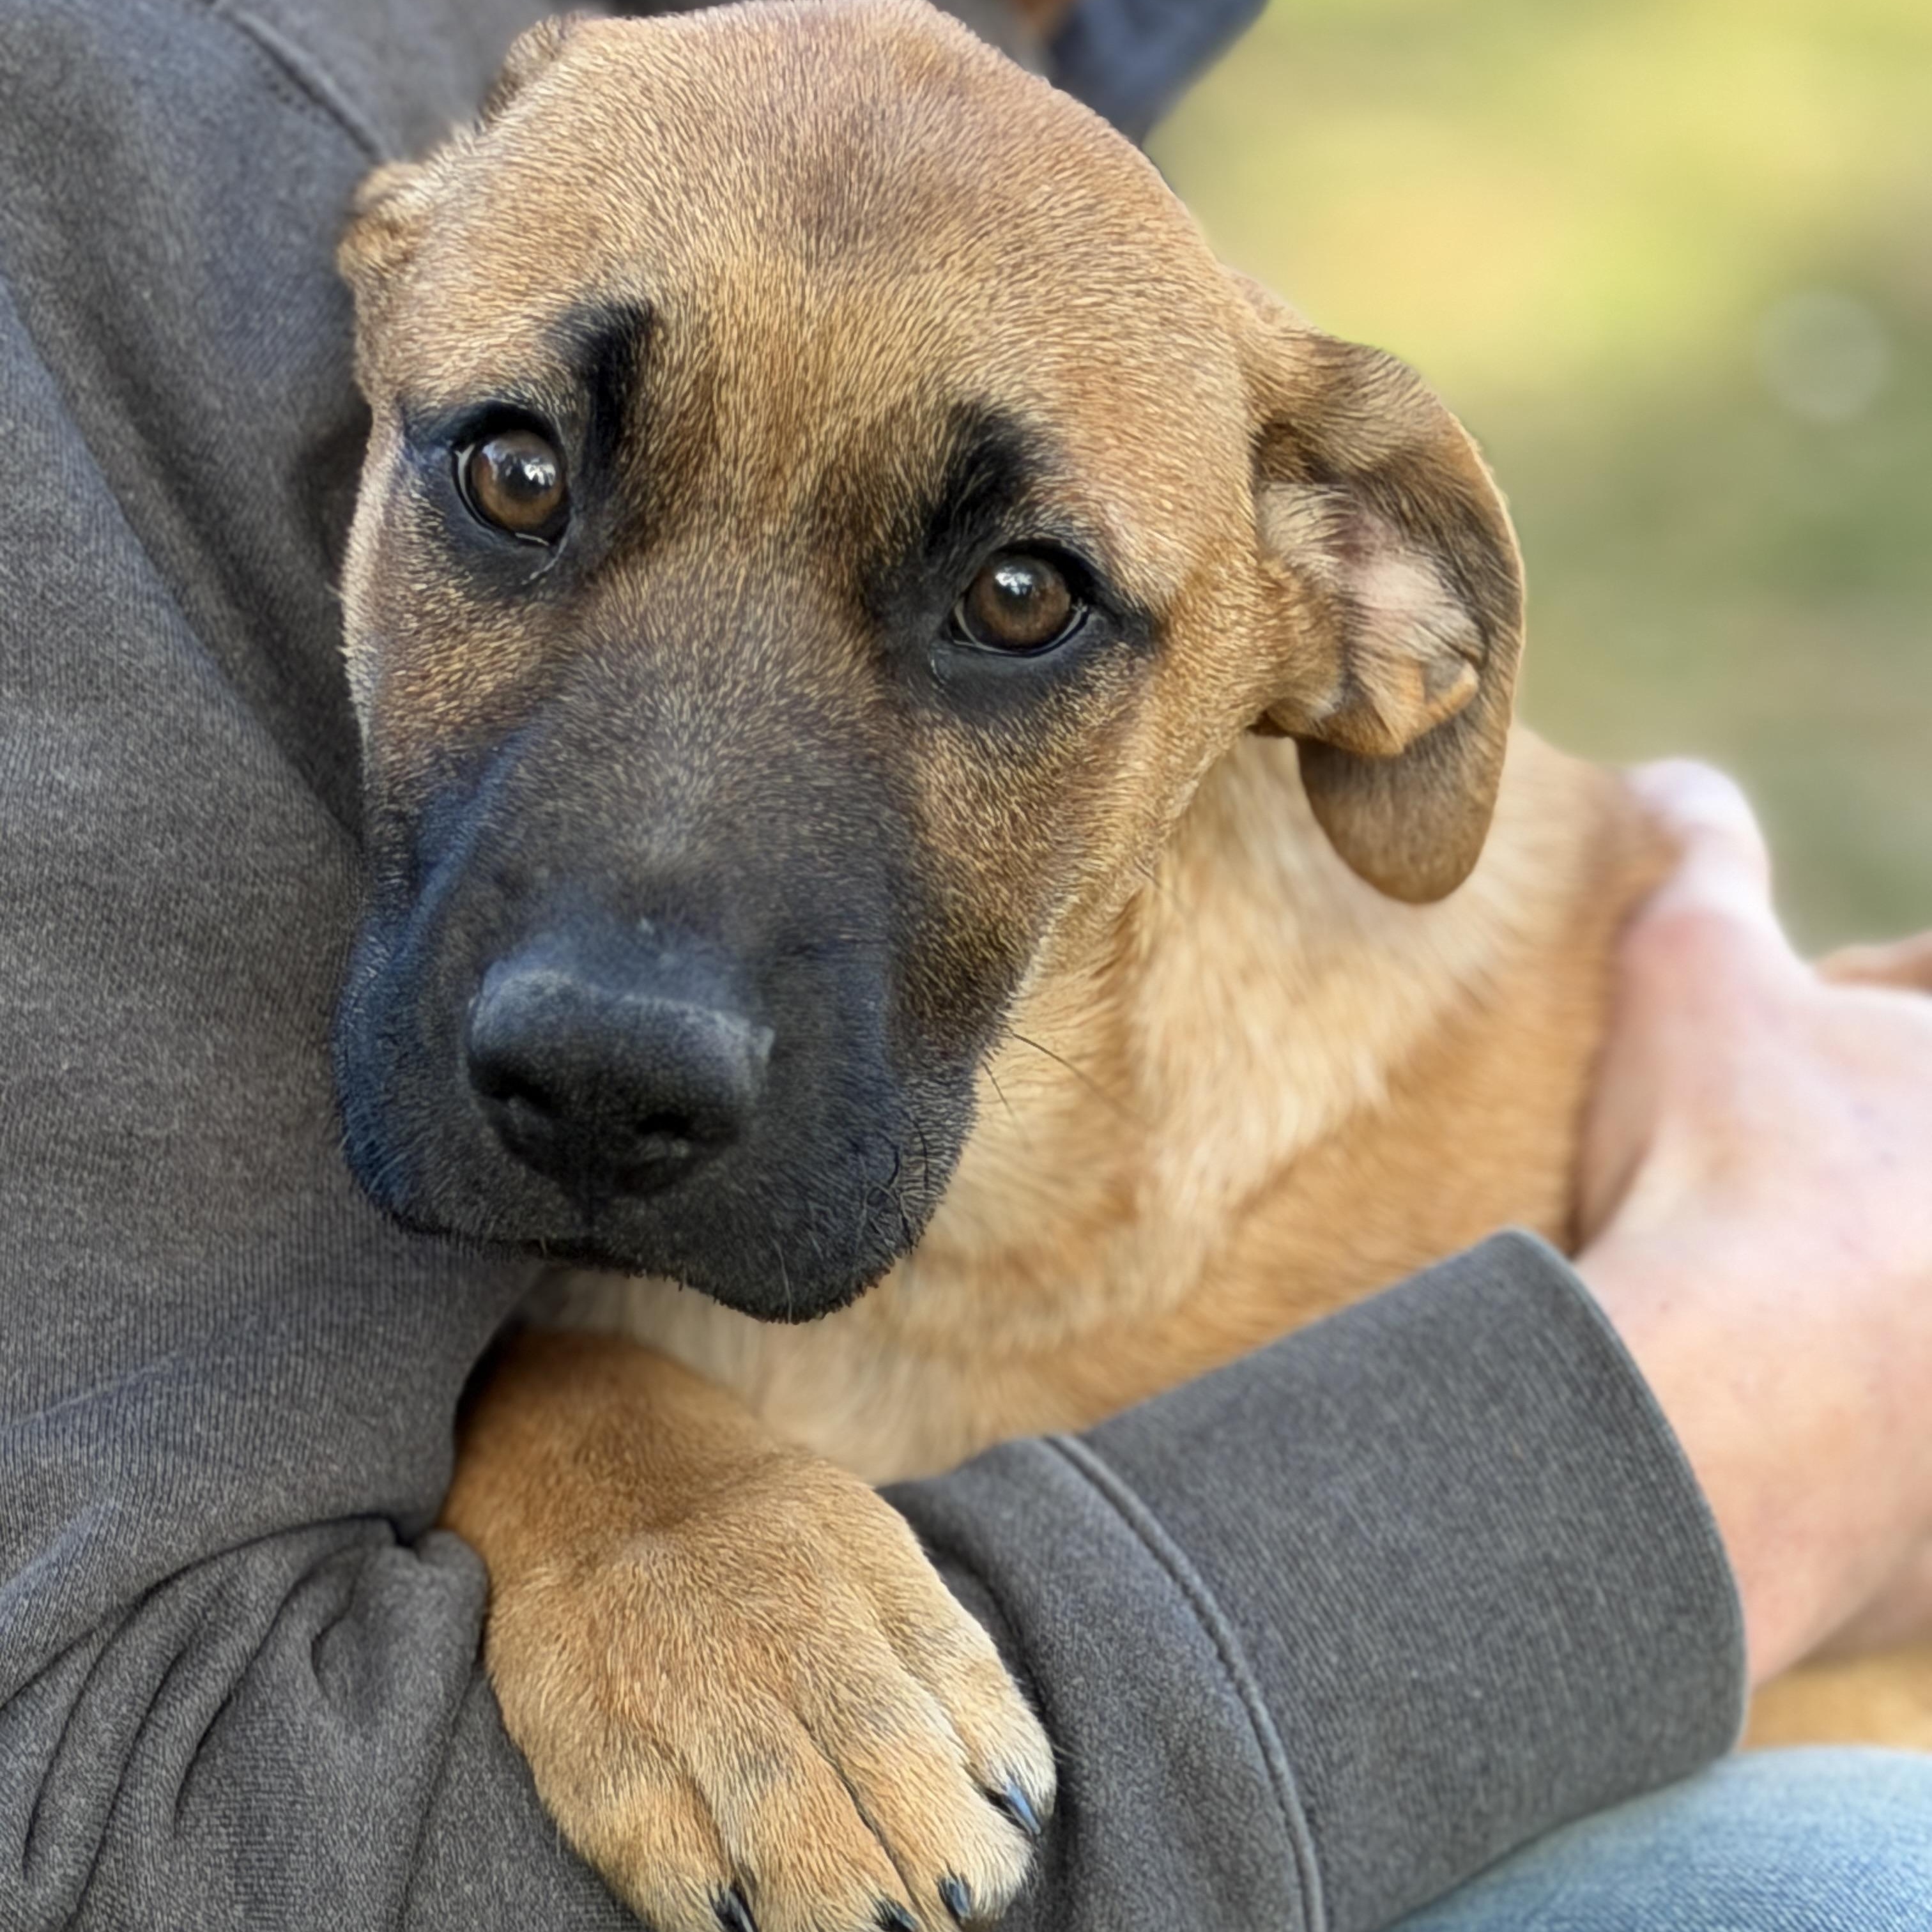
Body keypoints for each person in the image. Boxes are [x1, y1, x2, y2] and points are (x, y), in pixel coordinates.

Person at [1, 1, 1928, 1926]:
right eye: (519, 481)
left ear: (1339, 605)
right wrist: (584, 1459)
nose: (624, 1018)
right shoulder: (199, 135)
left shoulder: (1536, 1089)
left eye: (1014, 604)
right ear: (387, 271)